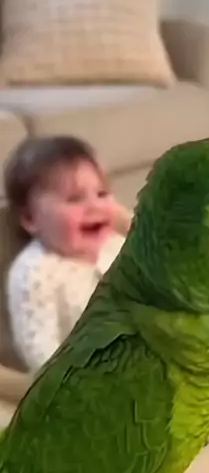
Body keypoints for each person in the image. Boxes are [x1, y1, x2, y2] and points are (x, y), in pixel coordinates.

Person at [4, 135, 133, 373]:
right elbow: (41, 352)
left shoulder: (116, 244)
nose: (95, 206)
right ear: (31, 219)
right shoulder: (35, 273)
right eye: (75, 199)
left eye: (102, 193)